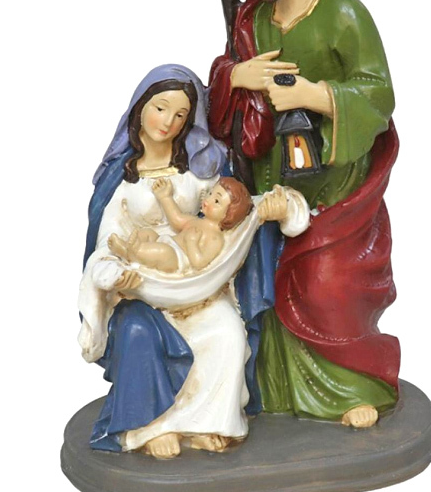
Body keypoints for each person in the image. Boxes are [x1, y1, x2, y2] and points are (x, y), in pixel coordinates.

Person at [208, 0, 401, 429]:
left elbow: (378, 93)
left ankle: (353, 386)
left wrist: (314, 95)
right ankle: (272, 390)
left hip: (333, 179)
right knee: (265, 281)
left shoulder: (342, 12)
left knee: (325, 283)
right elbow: (226, 74)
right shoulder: (254, 16)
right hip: (269, 172)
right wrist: (236, 77)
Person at [78, 64, 299, 458]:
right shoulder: (122, 179)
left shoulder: (200, 169)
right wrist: (114, 275)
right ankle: (151, 428)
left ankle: (208, 424)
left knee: (228, 334)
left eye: (180, 114)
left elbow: (233, 211)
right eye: (160, 108)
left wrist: (273, 210)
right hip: (146, 289)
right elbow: (105, 245)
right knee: (136, 332)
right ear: (140, 108)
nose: (168, 122)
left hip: (198, 285)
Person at [108, 177, 253, 273]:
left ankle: (129, 252)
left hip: (176, 259)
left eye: (216, 201)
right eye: (210, 193)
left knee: (163, 252)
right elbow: (176, 219)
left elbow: (199, 263)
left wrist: (192, 243)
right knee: (148, 233)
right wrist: (165, 196)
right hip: (166, 242)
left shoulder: (215, 239)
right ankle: (132, 246)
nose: (208, 200)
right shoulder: (196, 221)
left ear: (228, 215)